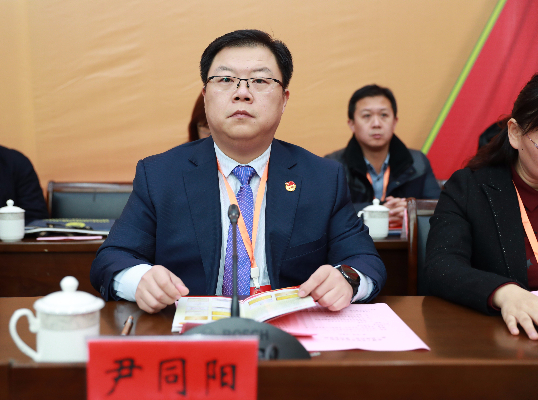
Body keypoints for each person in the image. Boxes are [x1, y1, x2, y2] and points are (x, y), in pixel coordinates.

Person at [91, 29, 386, 314]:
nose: (242, 92)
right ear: (205, 96)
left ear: (284, 99)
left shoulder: (322, 177)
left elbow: (364, 260)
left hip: (289, 329)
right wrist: (139, 280)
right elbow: (112, 258)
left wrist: (347, 279)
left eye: (260, 80)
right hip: (193, 331)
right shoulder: (159, 174)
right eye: (225, 79)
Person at [425, 74, 538, 340]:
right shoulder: (469, 188)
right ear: (515, 133)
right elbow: (441, 267)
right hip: (508, 338)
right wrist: (504, 292)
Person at [325, 84, 441, 227]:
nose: (376, 124)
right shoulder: (333, 166)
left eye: (384, 115)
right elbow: (325, 211)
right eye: (367, 116)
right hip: (354, 240)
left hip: (403, 241)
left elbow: (438, 208)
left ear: (394, 122)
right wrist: (378, 211)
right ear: (352, 124)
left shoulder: (418, 162)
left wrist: (410, 210)